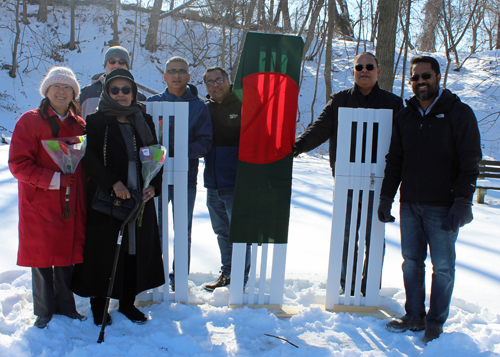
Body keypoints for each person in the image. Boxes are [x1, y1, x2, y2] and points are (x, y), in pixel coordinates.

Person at [379, 56, 481, 344]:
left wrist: (463, 201)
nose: (420, 82)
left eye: (426, 76)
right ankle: (414, 314)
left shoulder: (459, 113)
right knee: (411, 261)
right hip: (409, 202)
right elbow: (395, 159)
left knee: (444, 266)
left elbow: (470, 160)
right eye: (415, 77)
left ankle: (435, 321)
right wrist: (387, 196)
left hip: (443, 205)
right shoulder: (405, 115)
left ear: (438, 77)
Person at [293, 52, 404, 296]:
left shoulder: (393, 103)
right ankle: (348, 285)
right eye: (359, 67)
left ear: (378, 71)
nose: (364, 71)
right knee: (346, 233)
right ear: (353, 71)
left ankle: (370, 286)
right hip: (345, 179)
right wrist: (298, 147)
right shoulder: (340, 100)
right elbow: (320, 129)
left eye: (369, 67)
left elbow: (402, 142)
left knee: (374, 234)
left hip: (379, 182)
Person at [72, 68, 164, 326]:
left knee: (134, 251)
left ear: (134, 93)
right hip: (108, 198)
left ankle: (127, 303)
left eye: (126, 90)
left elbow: (156, 155)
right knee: (105, 251)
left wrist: (154, 186)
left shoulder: (142, 119)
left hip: (139, 199)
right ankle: (99, 306)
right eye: (115, 90)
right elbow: (88, 160)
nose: (121, 94)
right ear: (107, 93)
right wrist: (113, 183)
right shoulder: (97, 120)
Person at [8, 66, 87, 329]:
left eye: (67, 87)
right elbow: (18, 164)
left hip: (70, 200)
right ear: (47, 90)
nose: (62, 91)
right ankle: (44, 310)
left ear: (74, 92)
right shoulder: (29, 121)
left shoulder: (79, 124)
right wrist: (53, 180)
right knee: (42, 256)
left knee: (66, 254)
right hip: (39, 201)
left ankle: (66, 306)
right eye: (57, 86)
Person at [147, 56, 212, 289]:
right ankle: (156, 275)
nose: (176, 75)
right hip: (155, 179)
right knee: (157, 230)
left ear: (188, 76)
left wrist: (178, 151)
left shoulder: (198, 107)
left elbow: (205, 143)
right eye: (172, 71)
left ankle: (179, 277)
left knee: (182, 230)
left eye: (181, 71)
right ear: (164, 76)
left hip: (185, 179)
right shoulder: (153, 103)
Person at [201, 67, 251, 291]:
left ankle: (240, 280)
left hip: (236, 182)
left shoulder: (243, 105)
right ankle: (228, 273)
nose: (215, 85)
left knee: (239, 233)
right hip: (212, 183)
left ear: (229, 81)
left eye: (219, 79)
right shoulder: (205, 109)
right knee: (222, 232)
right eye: (210, 82)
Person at [78, 46, 147, 120]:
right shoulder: (85, 94)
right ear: (105, 66)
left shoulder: (139, 97)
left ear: (127, 68)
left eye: (122, 62)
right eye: (112, 61)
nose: (117, 65)